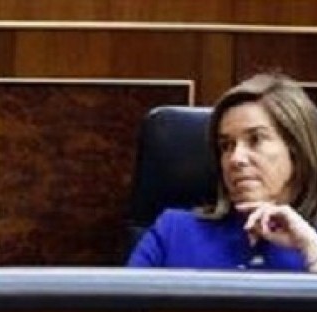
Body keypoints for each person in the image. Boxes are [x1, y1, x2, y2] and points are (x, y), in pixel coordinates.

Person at [127, 72, 317, 272]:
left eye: (255, 140)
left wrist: (311, 248)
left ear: (296, 149)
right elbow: (124, 301)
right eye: (226, 146)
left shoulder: (311, 238)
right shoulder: (173, 231)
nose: (235, 158)